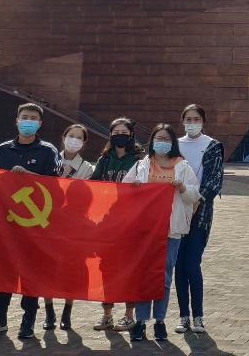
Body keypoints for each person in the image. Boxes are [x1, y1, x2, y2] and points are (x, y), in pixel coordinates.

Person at [0, 103, 60, 340]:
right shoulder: (2, 150)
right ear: (17, 120)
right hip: (5, 223)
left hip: (34, 225)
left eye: (33, 118)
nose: (28, 121)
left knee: (31, 272)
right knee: (3, 269)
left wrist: (30, 177)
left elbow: (57, 187)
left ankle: (28, 321)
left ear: (40, 124)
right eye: (24, 117)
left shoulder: (48, 151)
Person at [128, 123, 199, 342]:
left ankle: (159, 320)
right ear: (152, 142)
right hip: (144, 230)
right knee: (143, 276)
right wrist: (135, 188)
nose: (162, 143)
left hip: (170, 230)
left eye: (167, 139)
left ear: (173, 143)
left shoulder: (183, 166)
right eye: (158, 138)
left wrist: (182, 188)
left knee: (164, 276)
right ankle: (140, 321)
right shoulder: (141, 165)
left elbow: (194, 196)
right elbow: (124, 190)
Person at [174, 104, 225, 334]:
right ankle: (183, 316)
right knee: (179, 266)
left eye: (196, 119)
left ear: (203, 122)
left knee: (192, 265)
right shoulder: (175, 145)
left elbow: (214, 181)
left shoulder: (212, 146)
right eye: (188, 119)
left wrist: (196, 203)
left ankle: (198, 317)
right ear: (182, 121)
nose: (192, 123)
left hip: (200, 213)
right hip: (176, 213)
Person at [91, 117, 142, 332]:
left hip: (130, 222)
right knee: (106, 268)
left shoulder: (139, 160)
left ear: (131, 135)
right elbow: (93, 184)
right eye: (116, 132)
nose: (120, 136)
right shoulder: (104, 160)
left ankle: (129, 315)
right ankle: (107, 314)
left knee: (129, 268)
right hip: (108, 221)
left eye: (124, 132)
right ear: (110, 135)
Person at [43, 123, 94, 331]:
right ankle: (49, 312)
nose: (74, 140)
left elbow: (87, 192)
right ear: (64, 137)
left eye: (79, 137)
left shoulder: (87, 167)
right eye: (71, 135)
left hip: (74, 221)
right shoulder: (50, 157)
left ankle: (67, 312)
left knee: (73, 269)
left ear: (84, 142)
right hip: (49, 218)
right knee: (48, 267)